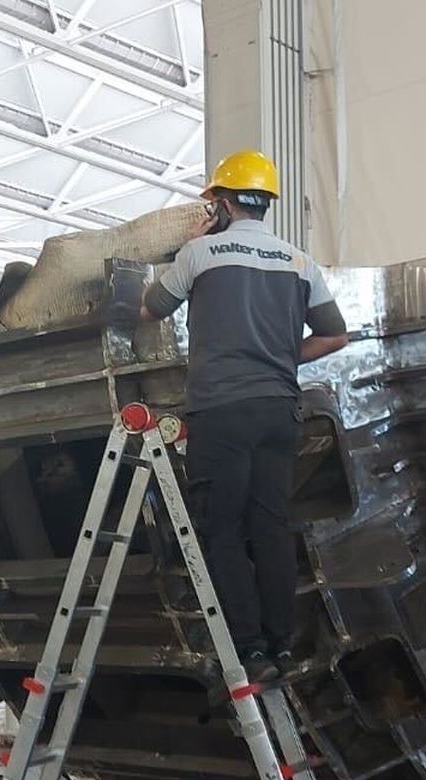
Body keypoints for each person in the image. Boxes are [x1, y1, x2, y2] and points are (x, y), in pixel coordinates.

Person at [139, 150, 349, 684]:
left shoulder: (200, 254)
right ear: (265, 204)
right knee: (272, 526)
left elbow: (148, 310)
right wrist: (280, 356)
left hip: (221, 410)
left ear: (224, 203)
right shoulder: (299, 262)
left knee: (225, 531)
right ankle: (283, 647)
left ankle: (250, 650)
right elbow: (334, 335)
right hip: (280, 410)